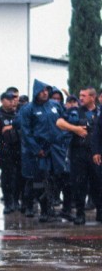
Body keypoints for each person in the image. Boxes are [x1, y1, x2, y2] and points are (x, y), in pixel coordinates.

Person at [18, 80, 69, 223]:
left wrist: (63, 143)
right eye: (42, 91)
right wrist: (36, 149)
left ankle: (53, 208)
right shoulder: (28, 109)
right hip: (40, 152)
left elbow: (65, 123)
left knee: (57, 179)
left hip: (56, 150)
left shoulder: (55, 105)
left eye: (47, 90)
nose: (45, 93)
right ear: (36, 92)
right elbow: (26, 132)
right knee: (40, 181)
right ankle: (44, 210)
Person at [58, 87, 101, 225]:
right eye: (80, 95)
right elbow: (59, 123)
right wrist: (75, 129)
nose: (80, 98)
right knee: (79, 184)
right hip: (79, 153)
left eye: (84, 95)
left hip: (96, 154)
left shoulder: (99, 112)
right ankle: (80, 213)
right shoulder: (74, 111)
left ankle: (100, 212)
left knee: (98, 184)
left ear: (92, 97)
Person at [0, 91, 24, 214]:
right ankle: (8, 202)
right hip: (6, 150)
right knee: (7, 177)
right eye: (9, 100)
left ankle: (16, 201)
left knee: (19, 177)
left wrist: (10, 127)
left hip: (19, 149)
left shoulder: (18, 112)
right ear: (2, 100)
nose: (12, 102)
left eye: (13, 100)